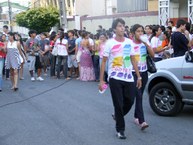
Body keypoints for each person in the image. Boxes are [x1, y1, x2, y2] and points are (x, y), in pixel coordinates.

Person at [99, 18, 142, 139]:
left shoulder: (129, 42)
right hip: (115, 77)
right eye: (119, 26)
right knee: (118, 103)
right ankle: (120, 130)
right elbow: (104, 62)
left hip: (128, 76)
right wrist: (102, 79)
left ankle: (117, 115)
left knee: (130, 100)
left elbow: (133, 59)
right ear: (114, 29)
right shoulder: (109, 43)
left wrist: (138, 76)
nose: (122, 28)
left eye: (123, 26)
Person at [131, 24, 154, 130]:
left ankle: (136, 116)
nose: (140, 33)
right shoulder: (129, 44)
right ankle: (142, 121)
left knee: (139, 95)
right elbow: (127, 61)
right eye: (138, 31)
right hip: (134, 73)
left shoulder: (145, 43)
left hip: (144, 72)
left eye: (142, 31)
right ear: (133, 33)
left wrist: (146, 43)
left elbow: (153, 55)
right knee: (139, 96)